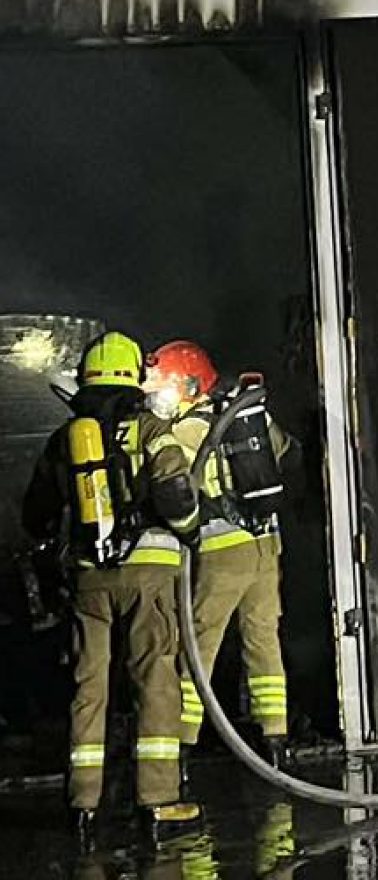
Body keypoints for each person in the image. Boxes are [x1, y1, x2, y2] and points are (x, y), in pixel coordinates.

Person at [22, 331, 202, 851]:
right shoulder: (150, 428)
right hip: (149, 574)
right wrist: (190, 531)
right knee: (155, 679)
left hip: (88, 579)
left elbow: (35, 513)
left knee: (89, 686)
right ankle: (159, 802)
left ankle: (83, 803)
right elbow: (175, 492)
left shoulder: (66, 439)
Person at [142, 341, 295, 772]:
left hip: (222, 551)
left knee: (199, 645)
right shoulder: (252, 417)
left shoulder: (186, 430)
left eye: (163, 387)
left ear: (189, 385)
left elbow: (169, 483)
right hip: (266, 545)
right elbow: (285, 452)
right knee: (263, 640)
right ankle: (275, 738)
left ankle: (181, 742)